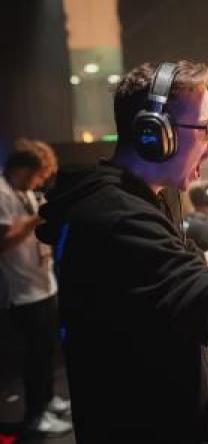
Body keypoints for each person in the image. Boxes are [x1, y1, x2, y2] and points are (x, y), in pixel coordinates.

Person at [35, 61, 208, 443]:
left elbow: (190, 277)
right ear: (154, 133)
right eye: (207, 128)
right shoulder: (117, 219)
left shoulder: (131, 199)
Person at [0, 139, 72, 436]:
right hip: (22, 291)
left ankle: (48, 400)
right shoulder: (2, 192)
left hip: (43, 283)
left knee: (47, 352)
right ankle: (35, 415)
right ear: (24, 169)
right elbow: (3, 241)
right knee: (35, 357)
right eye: (41, 174)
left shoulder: (26, 191)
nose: (42, 181)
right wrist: (37, 219)